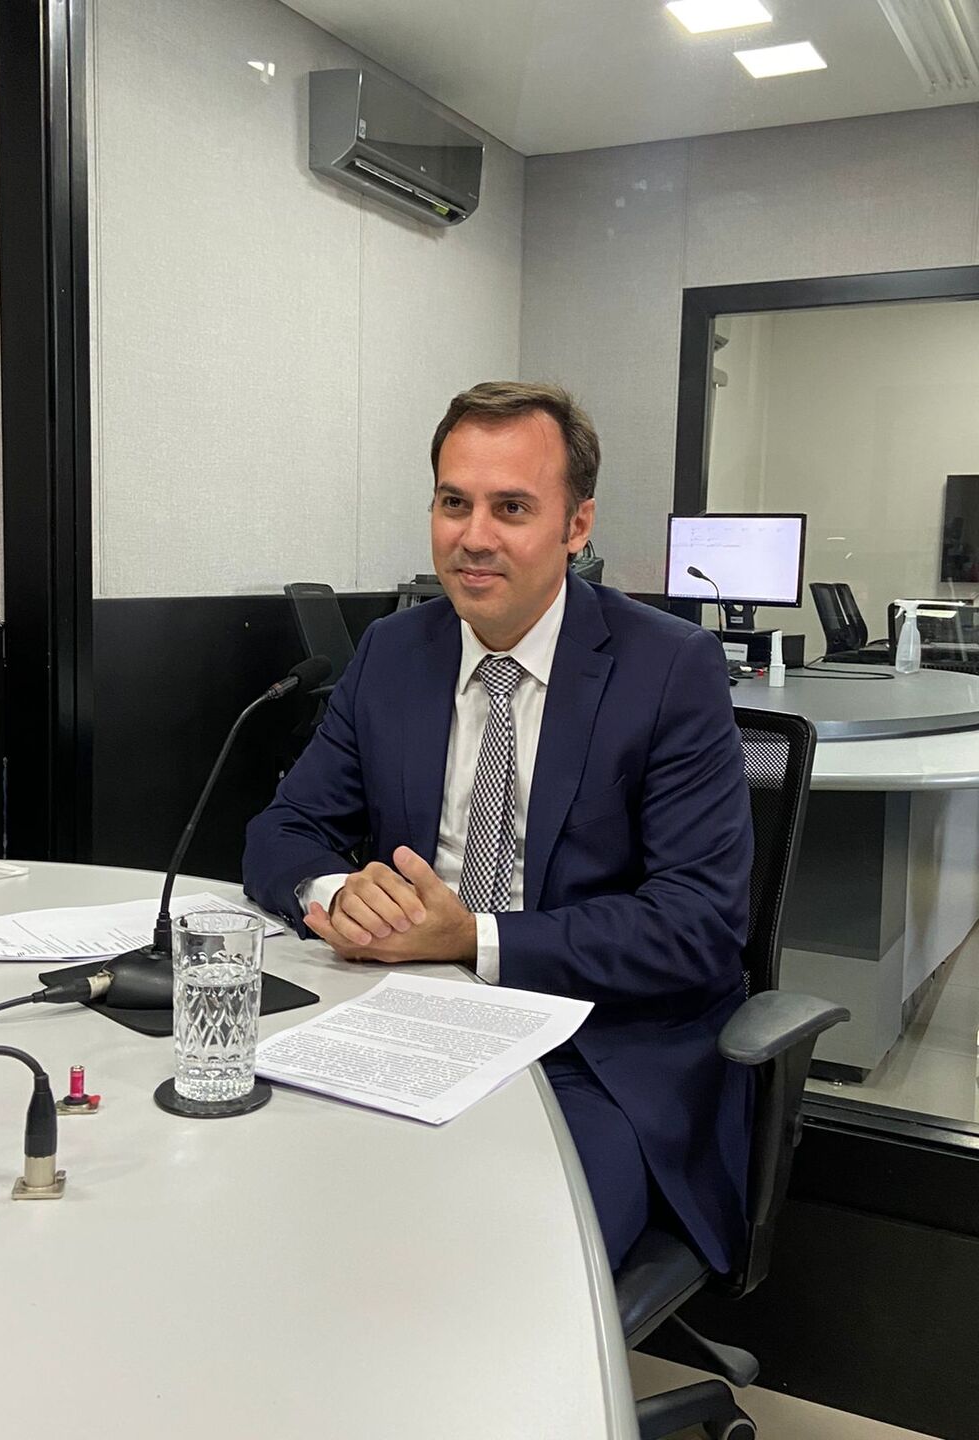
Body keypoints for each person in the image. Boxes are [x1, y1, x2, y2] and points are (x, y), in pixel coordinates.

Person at [244, 381, 753, 1273]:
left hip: (592, 1051)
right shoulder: (394, 653)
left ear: (576, 525)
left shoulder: (669, 669)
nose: (473, 536)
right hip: (401, 1021)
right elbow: (282, 831)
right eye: (453, 502)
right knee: (275, 1205)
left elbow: (697, 927)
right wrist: (338, 894)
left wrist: (470, 937)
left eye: (512, 507)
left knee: (488, 1262)